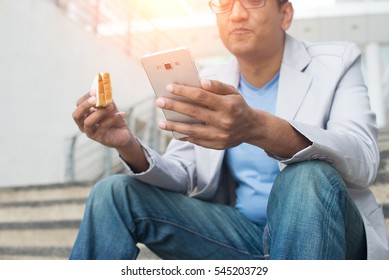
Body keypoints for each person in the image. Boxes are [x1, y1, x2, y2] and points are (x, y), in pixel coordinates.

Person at [70, 0, 389, 259]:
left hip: (330, 234)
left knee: (305, 176)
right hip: (239, 236)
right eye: (224, 3)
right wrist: (128, 145)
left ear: (285, 14)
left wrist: (257, 127)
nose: (236, 13)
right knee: (112, 192)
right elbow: (183, 173)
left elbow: (363, 159)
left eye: (252, 1)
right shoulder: (210, 80)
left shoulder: (337, 62)